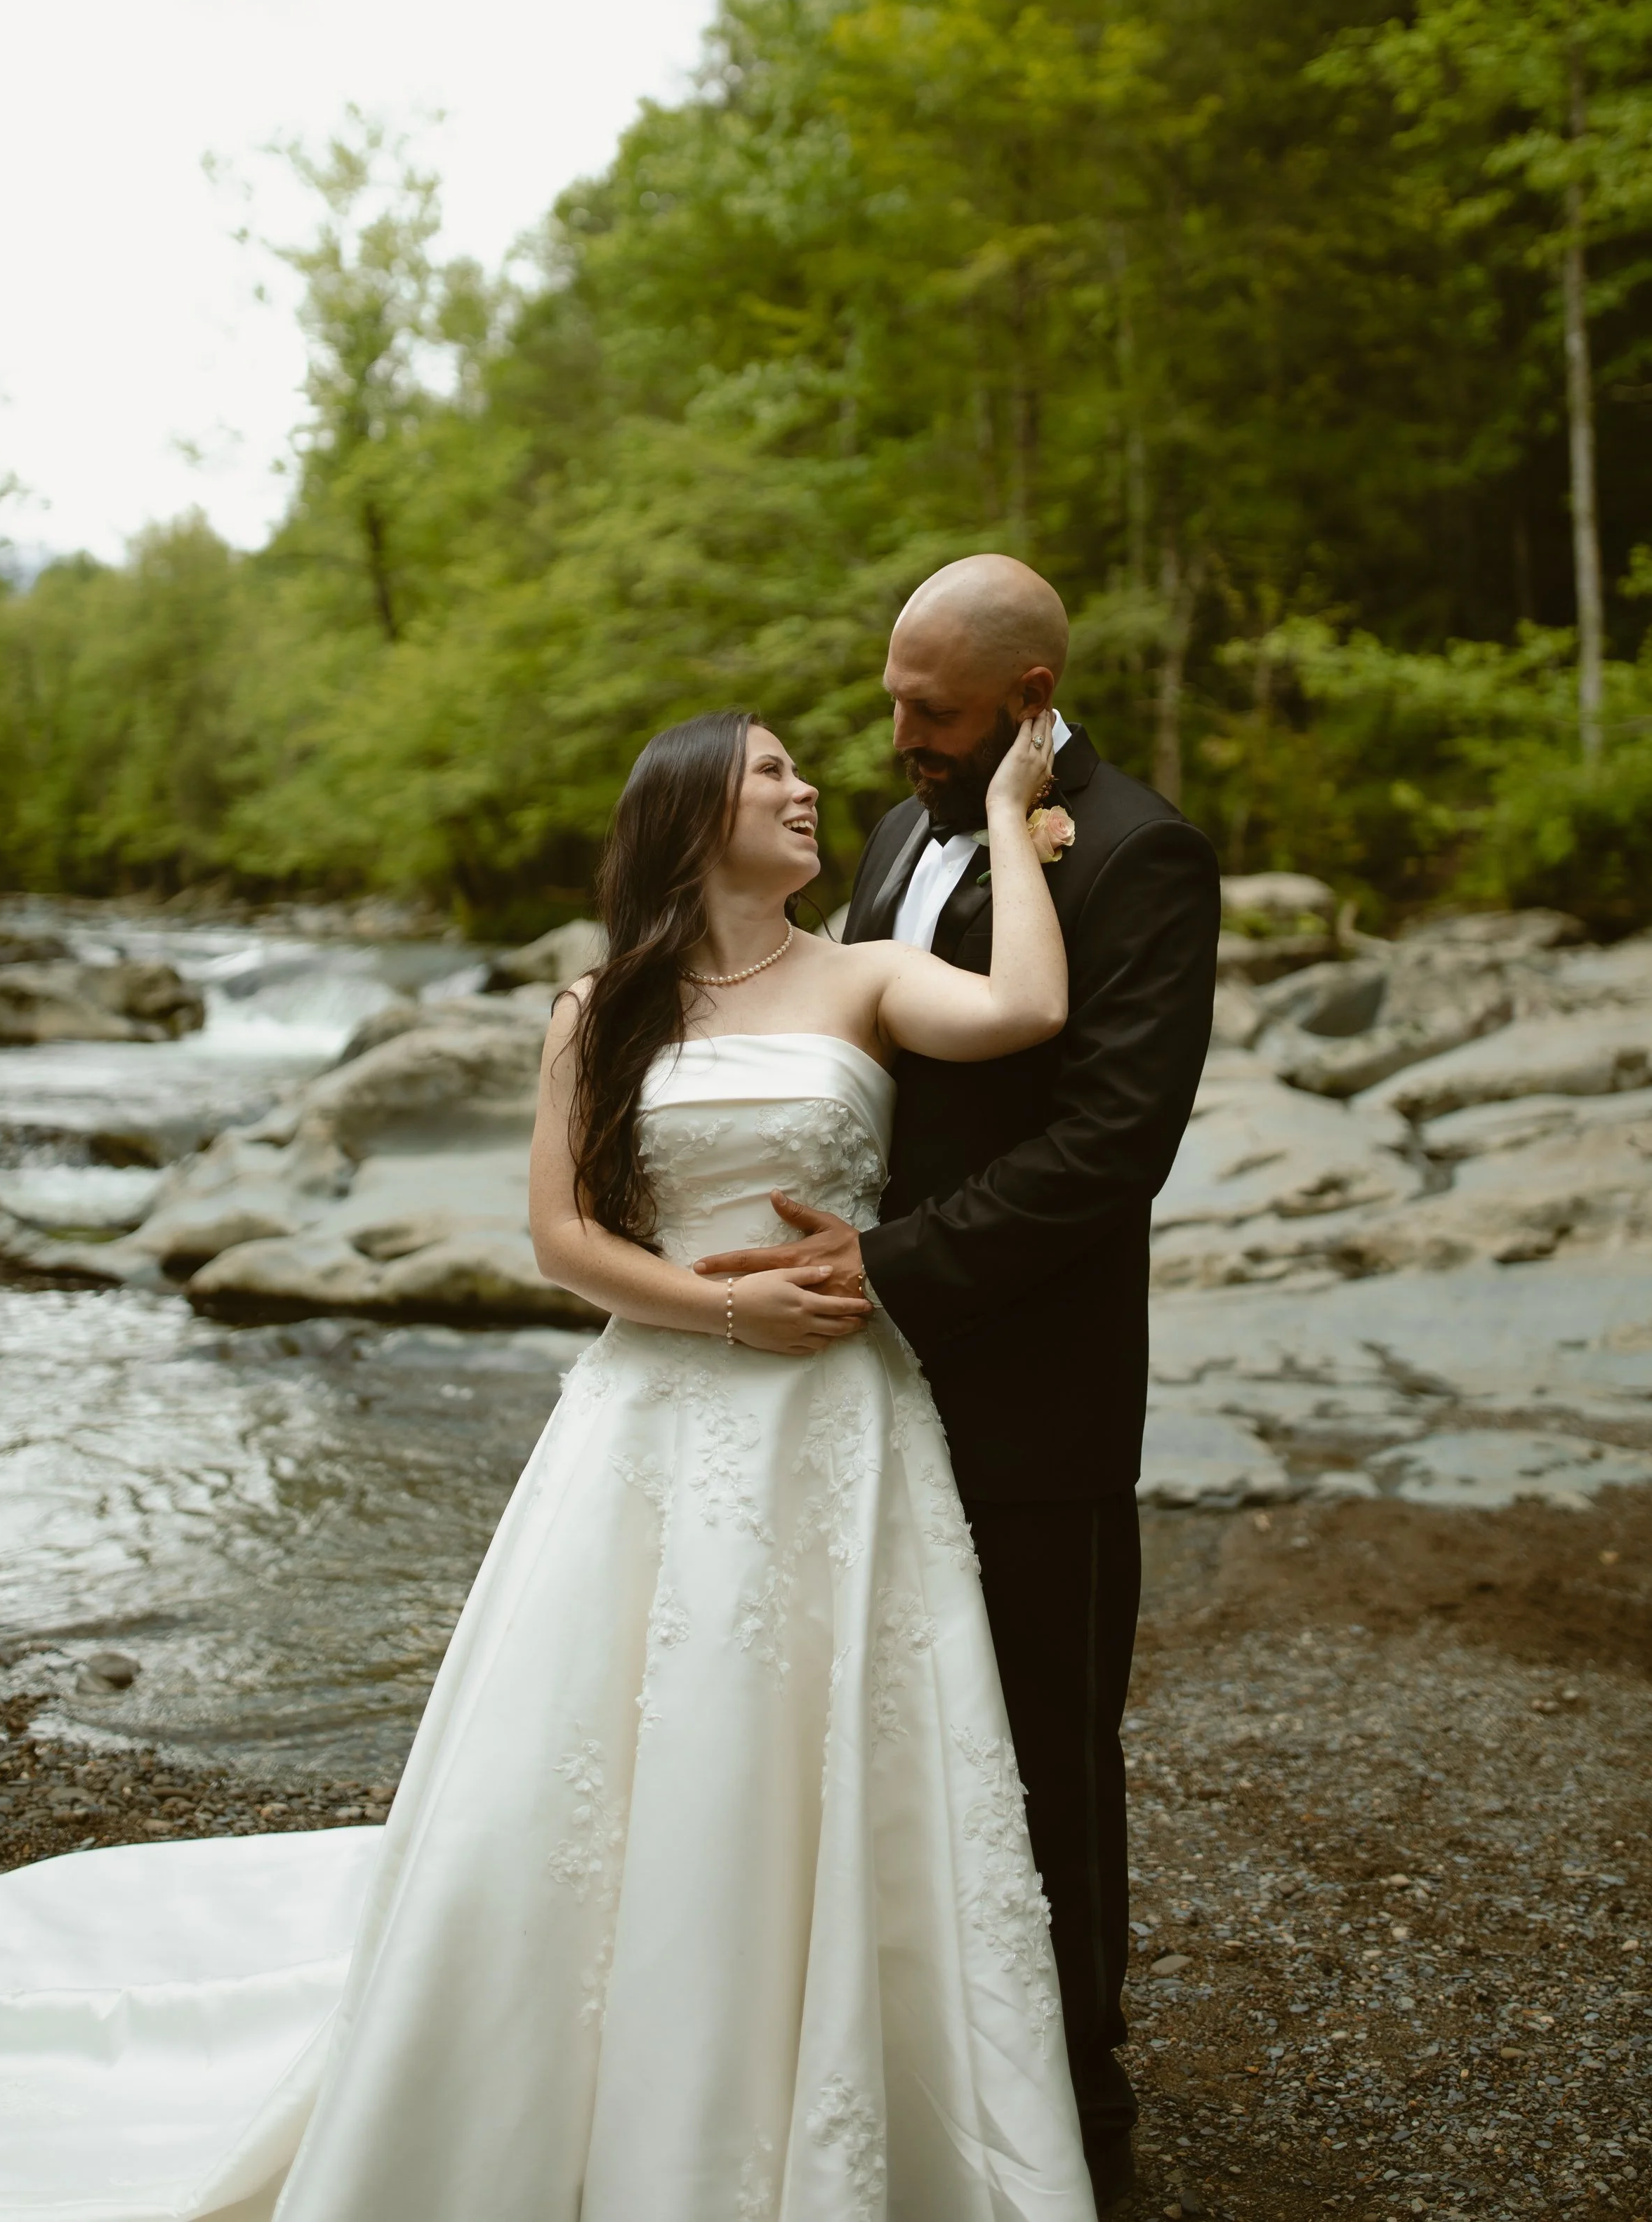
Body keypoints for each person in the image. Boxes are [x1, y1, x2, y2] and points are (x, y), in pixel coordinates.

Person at [0, 699, 1097, 2222]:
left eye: (801, 768)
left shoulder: (868, 978)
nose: (810, 785)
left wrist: (1022, 817)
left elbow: (1028, 1010)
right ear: (696, 811)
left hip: (837, 1425)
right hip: (652, 1419)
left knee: (838, 1751)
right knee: (624, 1753)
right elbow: (563, 1241)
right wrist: (719, 1303)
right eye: (773, 770)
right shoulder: (595, 1006)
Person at [696, 556, 1221, 2215]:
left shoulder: (1138, 853)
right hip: (848, 1384)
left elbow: (1108, 1147)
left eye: (929, 707)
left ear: (1028, 696)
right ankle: (899, 2064)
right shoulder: (894, 832)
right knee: (885, 1725)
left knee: (1042, 1744)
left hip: (1030, 1388)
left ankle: (1075, 2103)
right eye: (889, 695)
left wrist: (897, 1266)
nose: (894, 729)